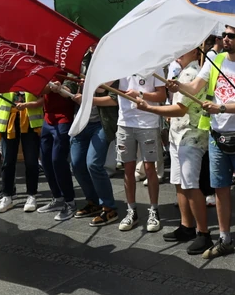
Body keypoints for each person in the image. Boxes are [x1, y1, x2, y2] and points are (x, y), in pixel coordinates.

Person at [167, 25, 235, 265]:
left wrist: (222, 108)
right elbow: (195, 88)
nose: (226, 39)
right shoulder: (215, 60)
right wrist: (179, 86)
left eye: (231, 36)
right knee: (220, 188)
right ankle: (224, 238)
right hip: (216, 134)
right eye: (224, 35)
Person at [135, 47, 213, 255]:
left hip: (191, 135)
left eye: (185, 48)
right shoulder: (180, 72)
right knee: (179, 182)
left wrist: (150, 107)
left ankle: (203, 233)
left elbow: (180, 109)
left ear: (196, 51)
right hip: (178, 133)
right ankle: (186, 226)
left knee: (190, 185)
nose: (179, 52)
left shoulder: (192, 73)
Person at [70, 53, 119, 226]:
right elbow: (70, 83)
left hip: (102, 124)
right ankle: (93, 201)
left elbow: (115, 99)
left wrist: (88, 99)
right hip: (82, 122)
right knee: (76, 164)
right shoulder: (82, 60)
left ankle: (108, 206)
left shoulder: (114, 62)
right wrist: (64, 89)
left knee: (93, 164)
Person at [115, 73, 167, 232]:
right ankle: (131, 211)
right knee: (128, 168)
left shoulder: (154, 64)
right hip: (124, 122)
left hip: (148, 123)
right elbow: (105, 82)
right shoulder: (121, 64)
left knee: (150, 168)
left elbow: (162, 95)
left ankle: (154, 210)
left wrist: (139, 94)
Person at [0, 91, 43, 213]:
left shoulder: (33, 74)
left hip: (30, 121)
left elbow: (43, 98)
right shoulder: (4, 73)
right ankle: (7, 196)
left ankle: (31, 195)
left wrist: (28, 105)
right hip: (8, 120)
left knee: (31, 161)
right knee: (7, 161)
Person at [38, 81, 78, 221]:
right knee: (46, 160)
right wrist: (49, 87)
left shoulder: (66, 69)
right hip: (48, 119)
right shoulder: (44, 70)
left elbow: (70, 91)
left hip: (63, 119)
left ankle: (70, 202)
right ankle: (57, 198)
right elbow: (40, 90)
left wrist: (59, 88)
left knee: (58, 160)